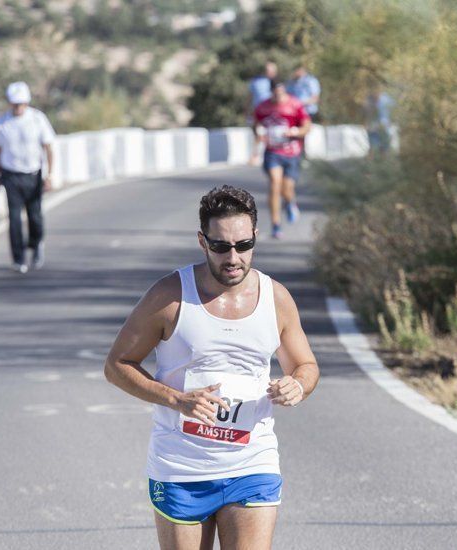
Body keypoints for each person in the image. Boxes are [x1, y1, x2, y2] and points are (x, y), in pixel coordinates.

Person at [104, 185, 319, 550]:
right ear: (203, 242)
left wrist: (297, 384)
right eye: (220, 247)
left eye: (243, 245)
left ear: (255, 238)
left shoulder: (275, 297)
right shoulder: (170, 296)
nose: (233, 257)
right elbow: (117, 365)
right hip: (181, 467)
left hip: (252, 461)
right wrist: (176, 399)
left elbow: (305, 364)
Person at [0, 81, 56, 274]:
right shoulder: (2, 123)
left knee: (35, 215)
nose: (18, 107)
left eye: (21, 103)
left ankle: (36, 244)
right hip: (11, 175)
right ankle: (18, 257)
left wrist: (50, 174)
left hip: (33, 174)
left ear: (26, 103)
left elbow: (49, 147)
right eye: (14, 103)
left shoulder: (37, 119)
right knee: (14, 218)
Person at [251, 81, 311, 239]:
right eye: (275, 94)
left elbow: (307, 126)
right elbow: (256, 126)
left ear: (284, 92)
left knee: (287, 189)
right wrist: (257, 145)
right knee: (274, 184)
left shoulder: (295, 104)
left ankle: (290, 202)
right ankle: (276, 225)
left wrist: (295, 132)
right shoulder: (263, 107)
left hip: (292, 152)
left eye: (281, 93)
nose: (278, 97)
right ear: (271, 93)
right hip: (272, 151)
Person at [364, 89, 395, 157]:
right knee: (372, 144)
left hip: (383, 125)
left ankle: (383, 159)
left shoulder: (385, 99)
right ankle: (371, 161)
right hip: (374, 126)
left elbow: (393, 108)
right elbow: (367, 114)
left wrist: (390, 120)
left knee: (384, 145)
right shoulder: (369, 100)